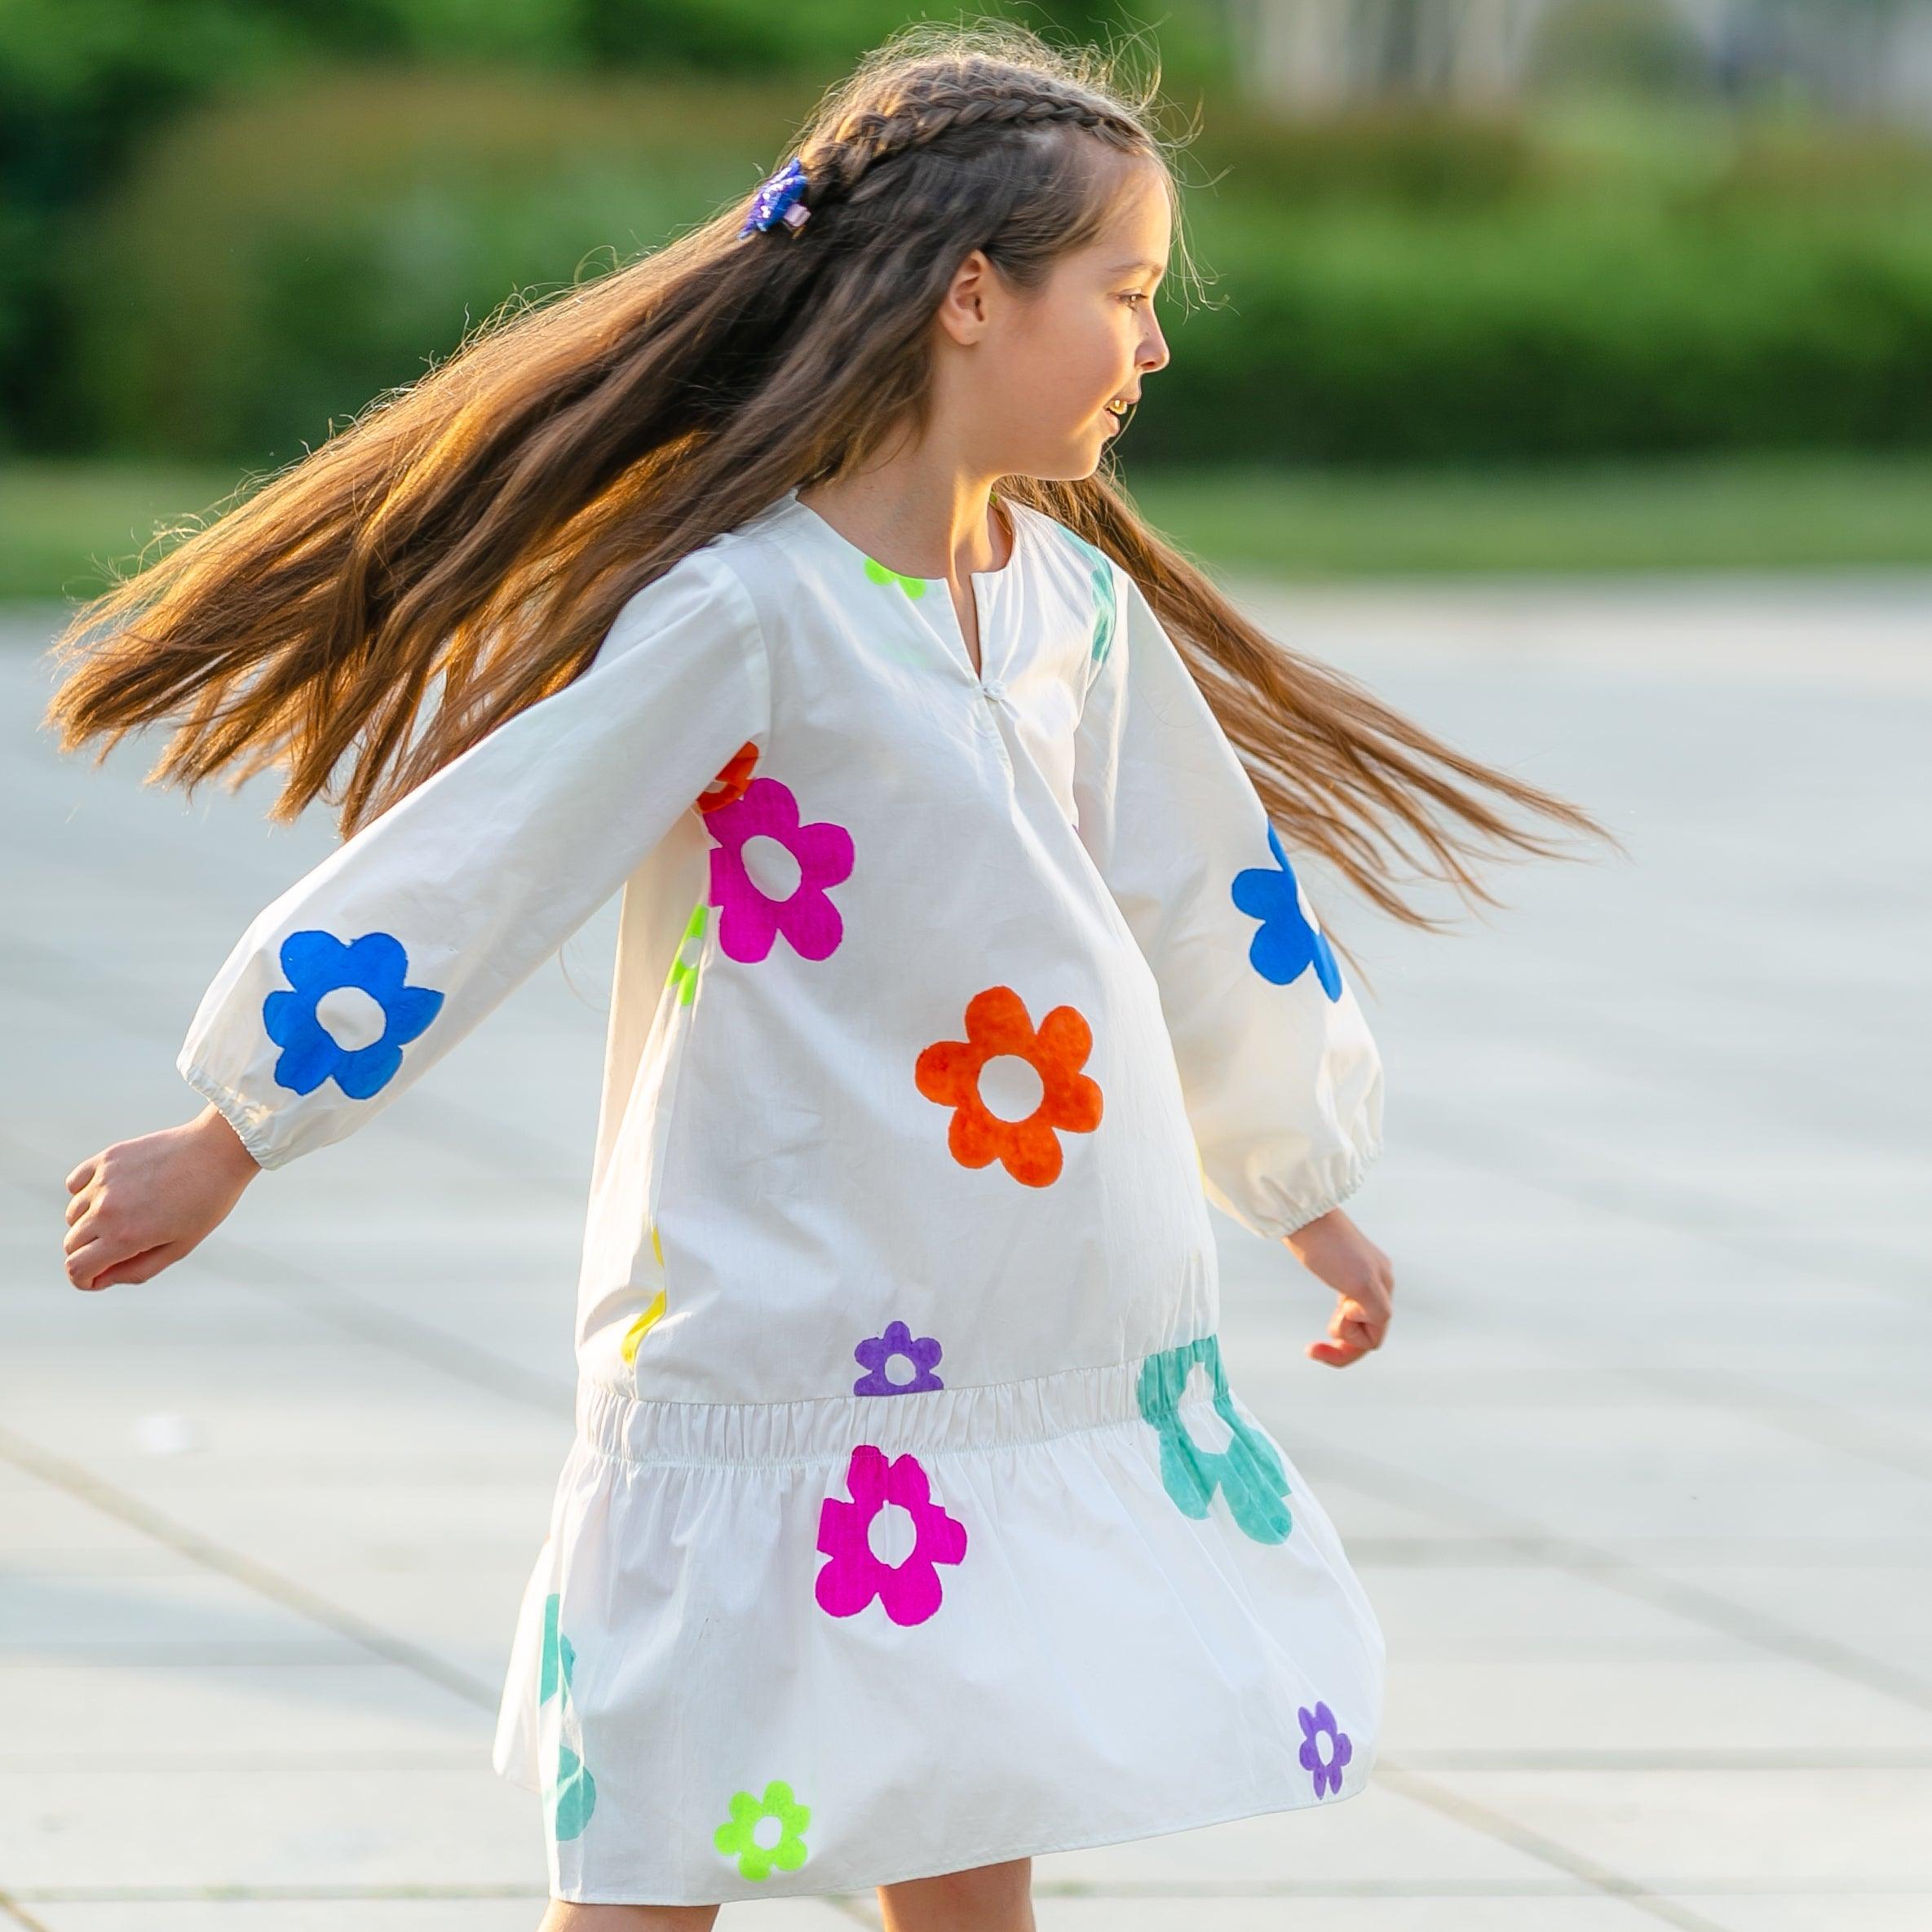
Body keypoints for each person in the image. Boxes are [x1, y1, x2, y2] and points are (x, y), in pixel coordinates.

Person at [46, 23, 1607, 1930]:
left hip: (1012, 1336)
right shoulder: (745, 612)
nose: (1155, 344)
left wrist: (1302, 1184)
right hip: (769, 1338)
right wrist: (239, 1127)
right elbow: (491, 856)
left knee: (966, 1840)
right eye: (1122, 294)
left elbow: (1210, 903)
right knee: (655, 1871)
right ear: (972, 297)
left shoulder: (1072, 610)